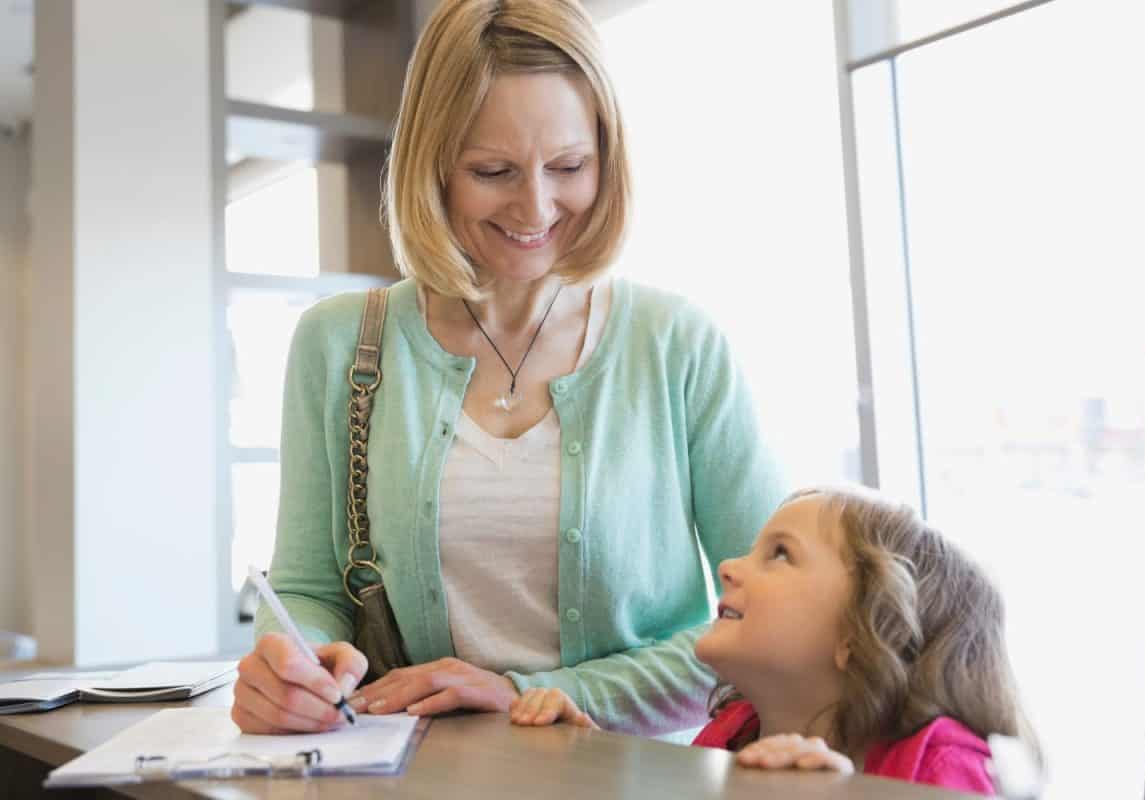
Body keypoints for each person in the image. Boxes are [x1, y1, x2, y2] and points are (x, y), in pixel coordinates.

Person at [230, 0, 788, 738]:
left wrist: (528, 691)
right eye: (492, 170)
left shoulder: (678, 345)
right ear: (434, 167)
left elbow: (774, 631)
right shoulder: (336, 345)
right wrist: (291, 662)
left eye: (568, 166)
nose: (536, 206)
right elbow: (307, 589)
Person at [511, 487, 1040, 795]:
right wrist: (584, 758)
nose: (727, 567)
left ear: (867, 628)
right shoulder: (733, 731)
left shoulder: (941, 766)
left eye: (780, 554)